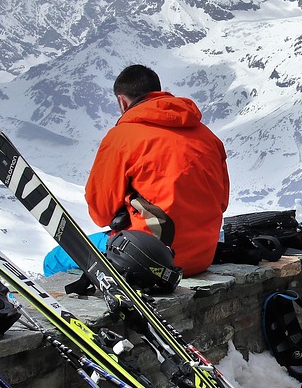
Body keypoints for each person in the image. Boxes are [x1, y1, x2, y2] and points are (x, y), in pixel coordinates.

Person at [82, 64, 230, 277]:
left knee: (54, 260)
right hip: (201, 258)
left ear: (122, 101)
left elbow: (100, 213)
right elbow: (222, 201)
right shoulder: (209, 137)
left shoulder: (121, 138)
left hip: (147, 260)